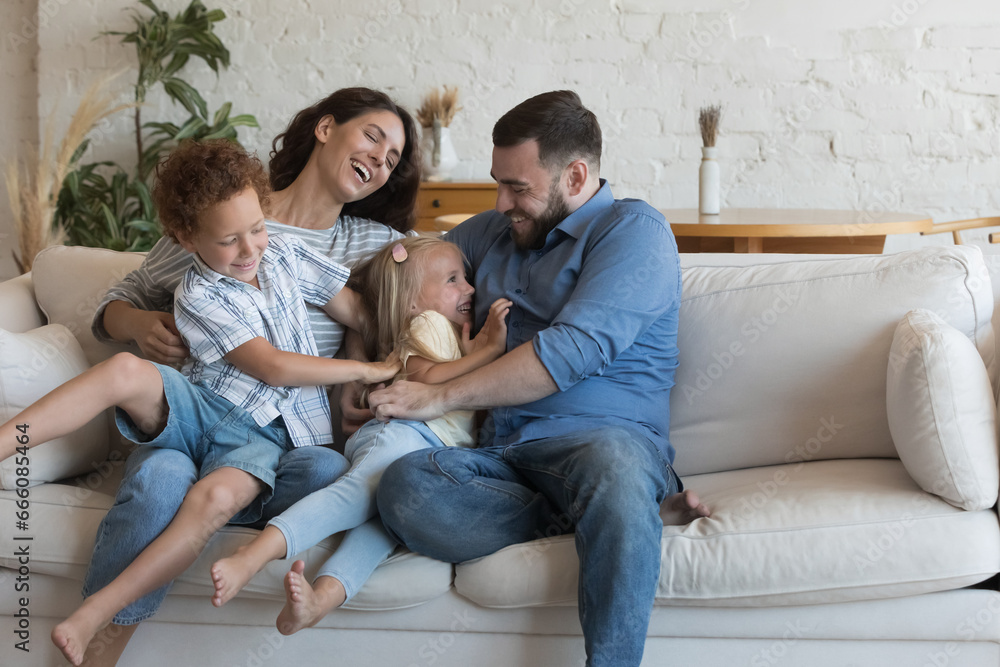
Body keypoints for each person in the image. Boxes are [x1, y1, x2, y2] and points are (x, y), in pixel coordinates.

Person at [0, 139, 400, 666]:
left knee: (211, 503)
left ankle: (96, 612)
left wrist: (408, 347)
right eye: (229, 240)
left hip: (260, 439)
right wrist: (365, 369)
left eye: (256, 228)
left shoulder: (283, 252)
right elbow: (272, 366)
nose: (250, 249)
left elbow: (354, 311)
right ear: (186, 238)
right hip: (204, 410)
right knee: (123, 372)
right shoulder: (198, 291)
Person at [368, 90, 711, 667]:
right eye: (497, 183)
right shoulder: (492, 232)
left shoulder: (633, 232)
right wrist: (363, 371)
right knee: (406, 485)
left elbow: (571, 351)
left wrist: (437, 396)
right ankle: (601, 520)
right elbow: (398, 283)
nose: (501, 202)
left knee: (617, 472)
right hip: (501, 459)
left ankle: (613, 532)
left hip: (602, 443)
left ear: (575, 175)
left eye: (518, 188)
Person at [207, 235, 512, 634]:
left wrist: (471, 353)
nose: (469, 288)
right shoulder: (427, 322)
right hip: (403, 435)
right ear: (413, 303)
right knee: (353, 495)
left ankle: (321, 600)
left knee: (383, 528)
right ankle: (252, 555)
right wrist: (487, 353)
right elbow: (426, 378)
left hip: (423, 452)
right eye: (452, 280)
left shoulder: (448, 331)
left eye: (465, 278)